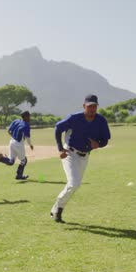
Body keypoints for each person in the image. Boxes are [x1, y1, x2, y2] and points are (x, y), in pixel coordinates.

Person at [50, 95, 111, 223]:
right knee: (74, 183)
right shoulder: (74, 118)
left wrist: (98, 144)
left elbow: (105, 140)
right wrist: (60, 148)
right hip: (70, 153)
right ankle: (58, 209)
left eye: (94, 106)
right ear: (84, 106)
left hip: (85, 156)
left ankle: (56, 208)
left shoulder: (101, 121)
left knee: (75, 185)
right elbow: (58, 128)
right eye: (89, 106)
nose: (92, 109)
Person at [0, 111, 34, 180]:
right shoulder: (26, 125)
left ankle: (1, 159)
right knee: (24, 160)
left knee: (11, 161)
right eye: (29, 116)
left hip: (12, 142)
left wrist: (14, 137)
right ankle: (19, 175)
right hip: (18, 144)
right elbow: (27, 137)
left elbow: (9, 131)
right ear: (26, 117)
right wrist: (30, 145)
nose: (30, 117)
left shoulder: (16, 121)